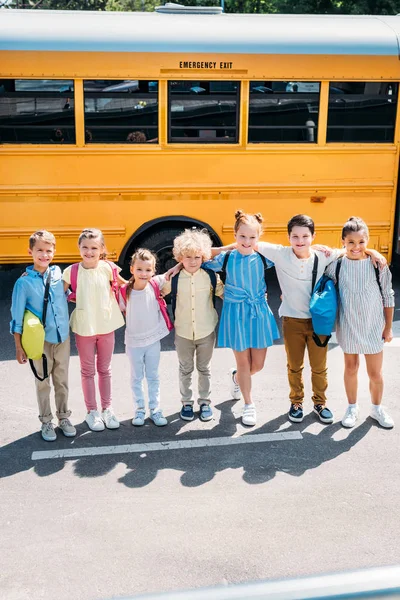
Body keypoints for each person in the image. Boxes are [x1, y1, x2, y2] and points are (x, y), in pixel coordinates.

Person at [256, 214, 386, 425]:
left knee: (319, 367)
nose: (300, 241)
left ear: (313, 236)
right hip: (292, 320)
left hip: (318, 322)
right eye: (295, 236)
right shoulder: (280, 254)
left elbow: (351, 248)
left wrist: (372, 251)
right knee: (294, 366)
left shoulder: (323, 256)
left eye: (305, 236)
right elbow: (250, 242)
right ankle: (296, 403)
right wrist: (213, 251)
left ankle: (320, 403)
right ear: (288, 237)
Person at [203, 210, 279, 427]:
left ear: (259, 238)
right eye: (242, 236)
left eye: (252, 237)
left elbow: (292, 255)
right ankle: (248, 404)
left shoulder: (264, 258)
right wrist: (228, 247)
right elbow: (198, 256)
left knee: (258, 365)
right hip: (235, 313)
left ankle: (236, 378)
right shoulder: (227, 258)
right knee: (244, 362)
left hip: (258, 312)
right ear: (235, 235)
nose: (247, 241)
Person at [325, 217, 395, 429]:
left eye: (361, 242)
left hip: (373, 325)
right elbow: (322, 286)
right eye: (351, 242)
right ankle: (352, 407)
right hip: (348, 324)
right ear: (343, 242)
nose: (356, 247)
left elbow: (388, 296)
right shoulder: (336, 265)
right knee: (351, 367)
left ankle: (376, 408)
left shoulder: (378, 265)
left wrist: (388, 327)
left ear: (368, 241)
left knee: (375, 373)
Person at [10, 230, 76, 442]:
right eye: (40, 250)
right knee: (43, 382)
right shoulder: (23, 283)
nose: (44, 255)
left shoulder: (58, 274)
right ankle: (46, 421)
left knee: (62, 380)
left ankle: (64, 417)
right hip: (40, 341)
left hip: (62, 338)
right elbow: (17, 318)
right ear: (30, 251)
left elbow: (69, 293)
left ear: (54, 252)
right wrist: (19, 347)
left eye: (49, 251)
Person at [62, 228, 125, 432]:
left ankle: (107, 408)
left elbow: (129, 285)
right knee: (87, 371)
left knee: (105, 370)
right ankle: (92, 411)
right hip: (84, 327)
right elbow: (55, 295)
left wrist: (157, 279)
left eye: (94, 248)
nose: (89, 252)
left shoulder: (109, 268)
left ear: (102, 249)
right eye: (85, 247)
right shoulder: (71, 271)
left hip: (107, 325)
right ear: (79, 248)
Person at [162, 229, 224, 422]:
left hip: (206, 330)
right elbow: (157, 295)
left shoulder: (211, 277)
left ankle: (205, 402)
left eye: (197, 257)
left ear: (204, 257)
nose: (193, 261)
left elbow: (226, 295)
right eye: (187, 257)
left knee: (205, 368)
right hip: (183, 331)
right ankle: (186, 403)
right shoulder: (173, 279)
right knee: (185, 368)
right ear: (180, 258)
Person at [119, 249, 169, 427]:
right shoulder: (125, 291)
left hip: (153, 339)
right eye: (139, 269)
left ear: (154, 271)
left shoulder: (155, 284)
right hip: (133, 342)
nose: (144, 273)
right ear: (132, 269)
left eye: (148, 270)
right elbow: (120, 309)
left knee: (153, 376)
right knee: (136, 377)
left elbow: (173, 271)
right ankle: (139, 409)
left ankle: (155, 409)